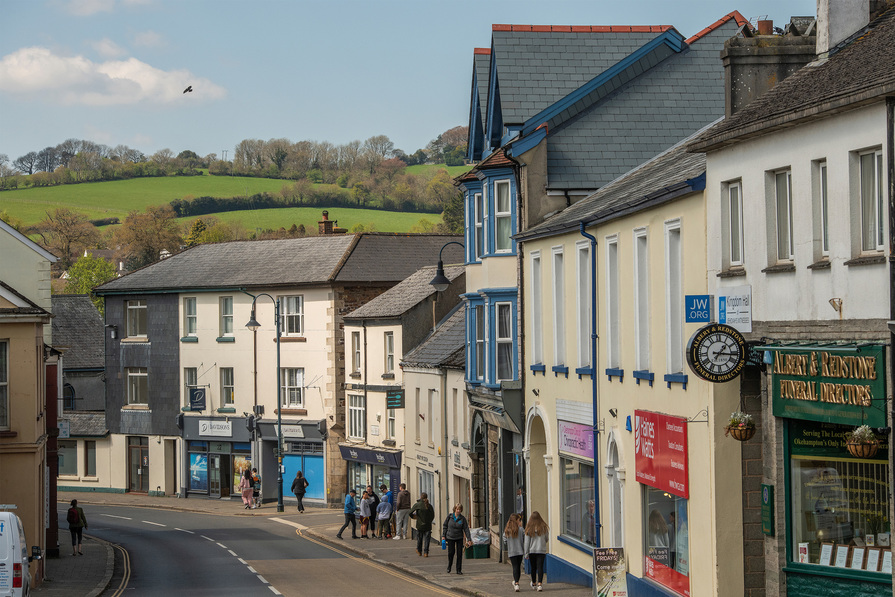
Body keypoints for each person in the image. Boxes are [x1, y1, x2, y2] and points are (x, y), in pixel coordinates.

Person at [442, 503, 472, 575]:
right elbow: (445, 526)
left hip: (459, 537)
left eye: (460, 509)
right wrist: (443, 536)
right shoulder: (450, 517)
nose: (458, 511)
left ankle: (458, 569)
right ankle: (449, 566)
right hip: (450, 537)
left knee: (459, 554)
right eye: (457, 509)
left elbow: (466, 529)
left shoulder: (462, 519)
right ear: (455, 509)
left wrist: (469, 539)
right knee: (451, 553)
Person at [524, 510, 549, 591]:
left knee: (533, 567)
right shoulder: (544, 527)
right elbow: (546, 539)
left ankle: (534, 583)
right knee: (540, 567)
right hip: (541, 550)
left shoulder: (529, 529)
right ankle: (540, 584)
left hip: (532, 551)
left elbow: (527, 542)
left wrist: (526, 553)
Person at [409, 492, 435, 556]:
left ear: (420, 497)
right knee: (427, 539)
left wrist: (414, 517)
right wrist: (429, 521)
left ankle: (419, 550)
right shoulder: (429, 506)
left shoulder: (417, 505)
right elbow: (432, 515)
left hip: (420, 524)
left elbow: (410, 512)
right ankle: (426, 552)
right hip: (428, 525)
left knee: (419, 538)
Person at [504, 513, 525, 592]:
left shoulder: (507, 530)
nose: (520, 521)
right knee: (518, 567)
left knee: (515, 567)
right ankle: (517, 582)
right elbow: (524, 537)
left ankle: (516, 583)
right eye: (519, 520)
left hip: (512, 551)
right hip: (520, 551)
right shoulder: (521, 529)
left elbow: (504, 539)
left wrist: (508, 544)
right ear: (516, 520)